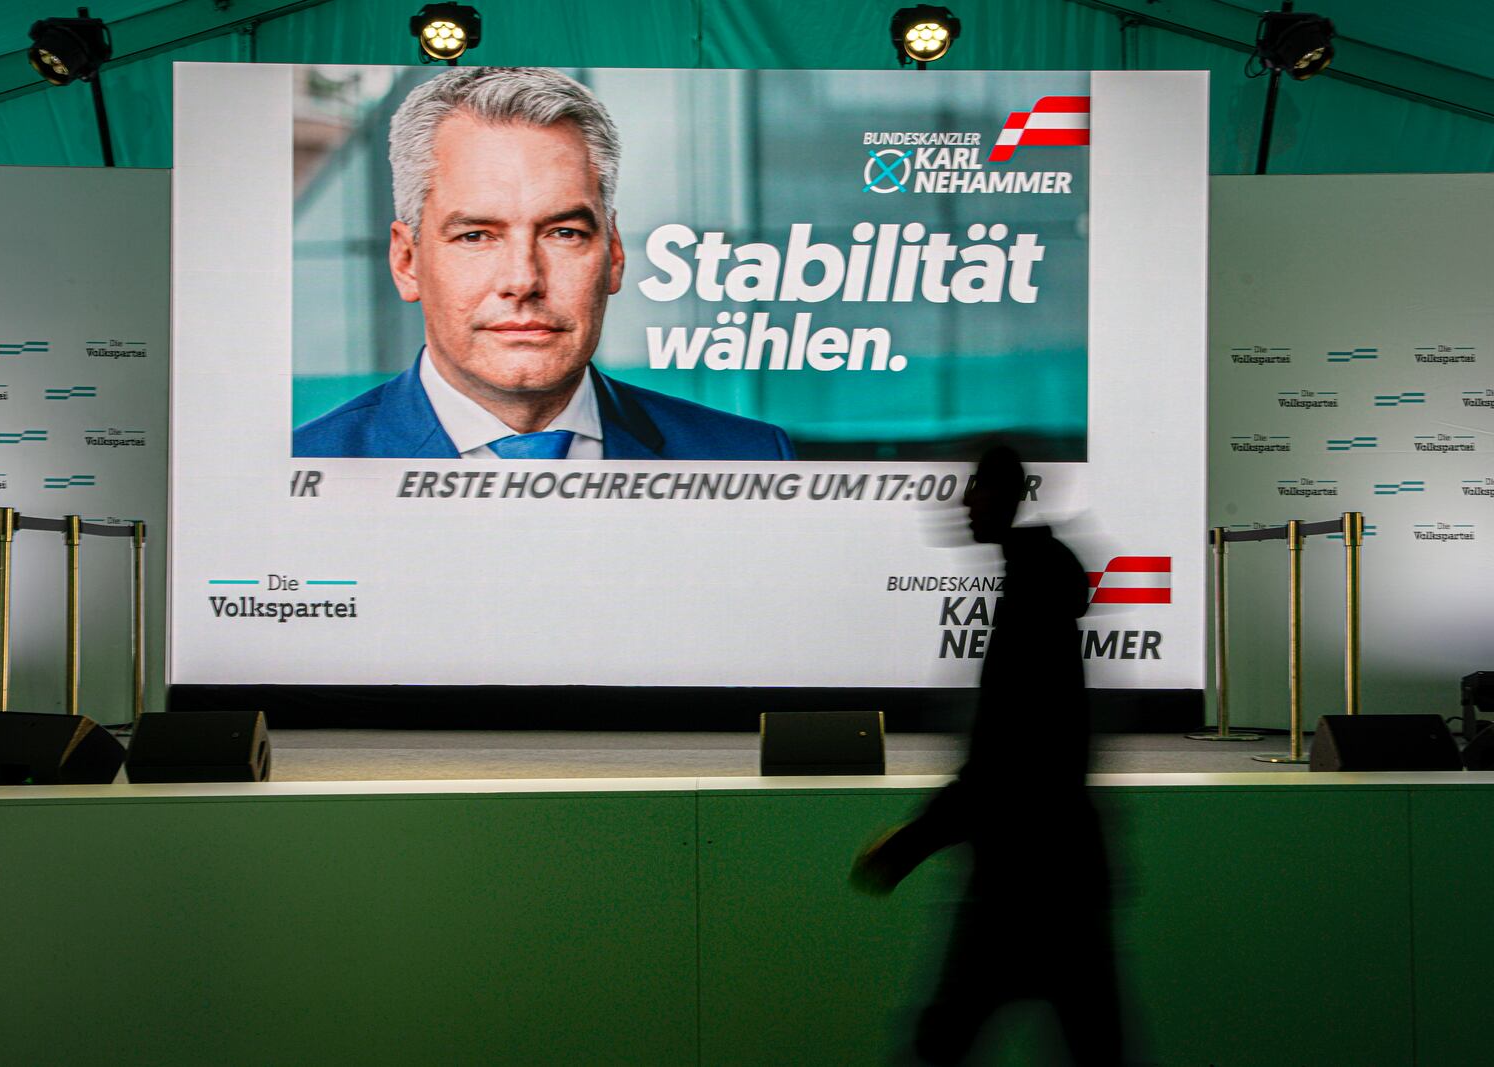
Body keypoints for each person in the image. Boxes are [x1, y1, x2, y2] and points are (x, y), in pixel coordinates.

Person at [294, 67, 795, 461]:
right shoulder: (301, 464)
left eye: (563, 233)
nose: (522, 280)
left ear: (613, 255)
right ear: (407, 262)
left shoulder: (747, 457)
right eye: (476, 236)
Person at [852, 444, 1124, 1065]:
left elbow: (1011, 751)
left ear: (1005, 496)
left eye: (977, 488)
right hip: (1057, 873)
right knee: (1092, 1043)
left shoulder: (1033, 594)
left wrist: (912, 842)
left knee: (943, 1041)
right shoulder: (1038, 581)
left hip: (1024, 878)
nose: (966, 502)